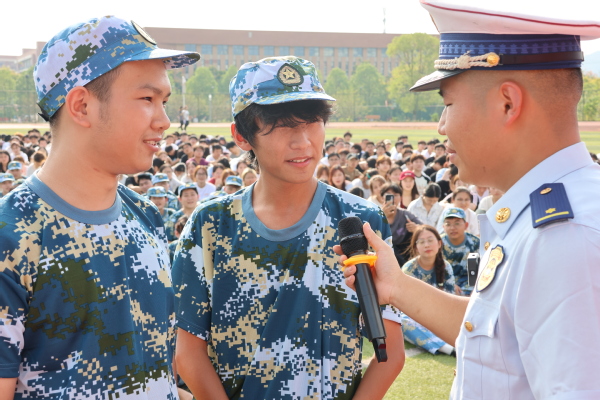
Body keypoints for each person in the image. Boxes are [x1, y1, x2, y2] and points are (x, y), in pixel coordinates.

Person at [343, 3, 600, 397]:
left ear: (507, 103)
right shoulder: (547, 217)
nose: (441, 126)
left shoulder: (565, 237)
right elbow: (498, 335)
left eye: (448, 104)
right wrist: (396, 286)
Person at [173, 56, 404, 400]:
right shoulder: (211, 225)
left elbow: (390, 352)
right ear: (242, 135)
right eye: (281, 125)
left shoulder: (359, 221)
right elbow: (188, 352)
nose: (303, 142)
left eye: (312, 122)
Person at [0, 15, 199, 398]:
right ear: (81, 106)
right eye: (147, 99)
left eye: (165, 102)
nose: (164, 121)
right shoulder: (12, 236)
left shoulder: (146, 215)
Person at [400, 225, 457, 355]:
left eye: (430, 240)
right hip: (415, 316)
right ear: (416, 247)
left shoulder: (446, 267)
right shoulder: (409, 269)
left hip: (439, 315)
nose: (427, 245)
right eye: (421, 242)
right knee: (402, 321)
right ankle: (449, 349)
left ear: (439, 243)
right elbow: (407, 306)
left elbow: (450, 301)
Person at [380, 183, 423, 266]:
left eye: (396, 195)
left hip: (404, 253)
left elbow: (425, 228)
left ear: (400, 198)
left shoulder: (405, 214)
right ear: (382, 198)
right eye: (389, 195)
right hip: (383, 253)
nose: (393, 198)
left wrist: (416, 228)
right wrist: (382, 216)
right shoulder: (376, 214)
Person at [439, 207, 479, 296]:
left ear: (466, 225)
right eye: (448, 224)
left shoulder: (476, 243)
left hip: (470, 284)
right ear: (443, 227)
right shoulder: (438, 243)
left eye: (457, 223)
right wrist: (450, 284)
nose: (452, 228)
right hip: (444, 282)